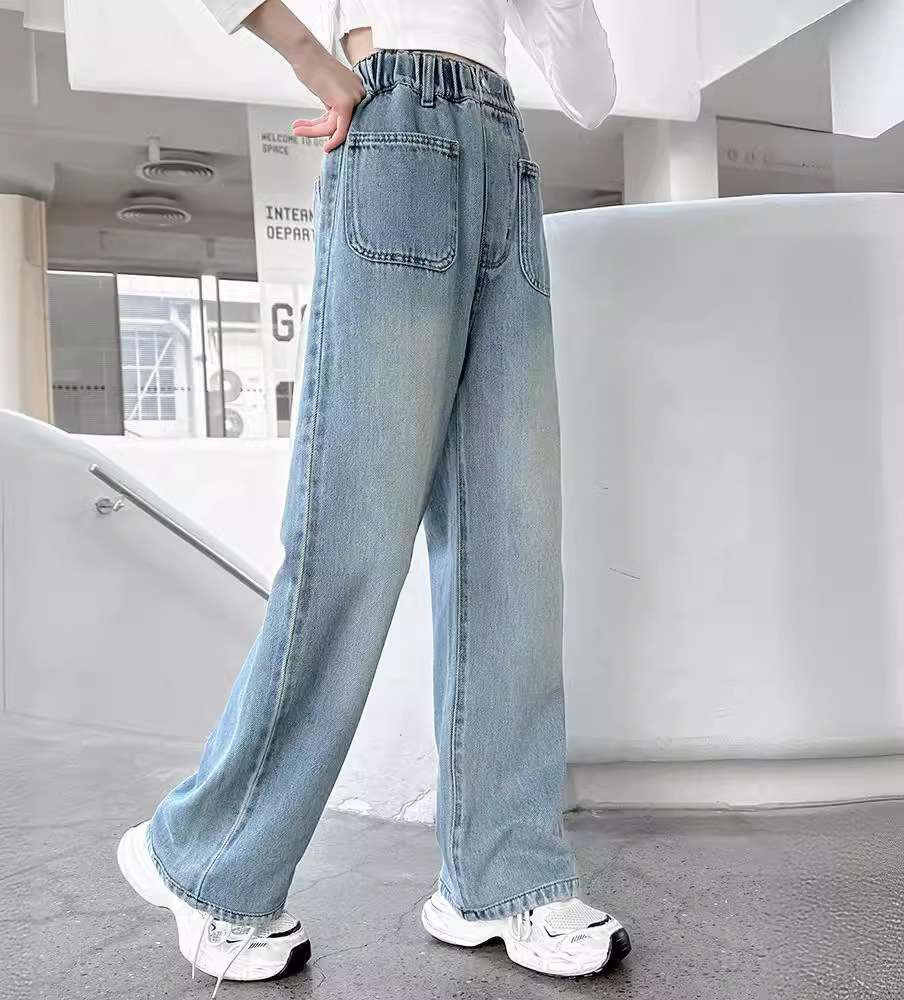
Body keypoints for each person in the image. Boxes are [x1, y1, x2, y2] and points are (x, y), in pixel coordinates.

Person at [117, 1, 629, 993]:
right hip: (396, 133)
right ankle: (207, 859)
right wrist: (313, 61)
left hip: (504, 153)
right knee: (351, 536)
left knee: (514, 551)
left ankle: (500, 879)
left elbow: (592, 93)